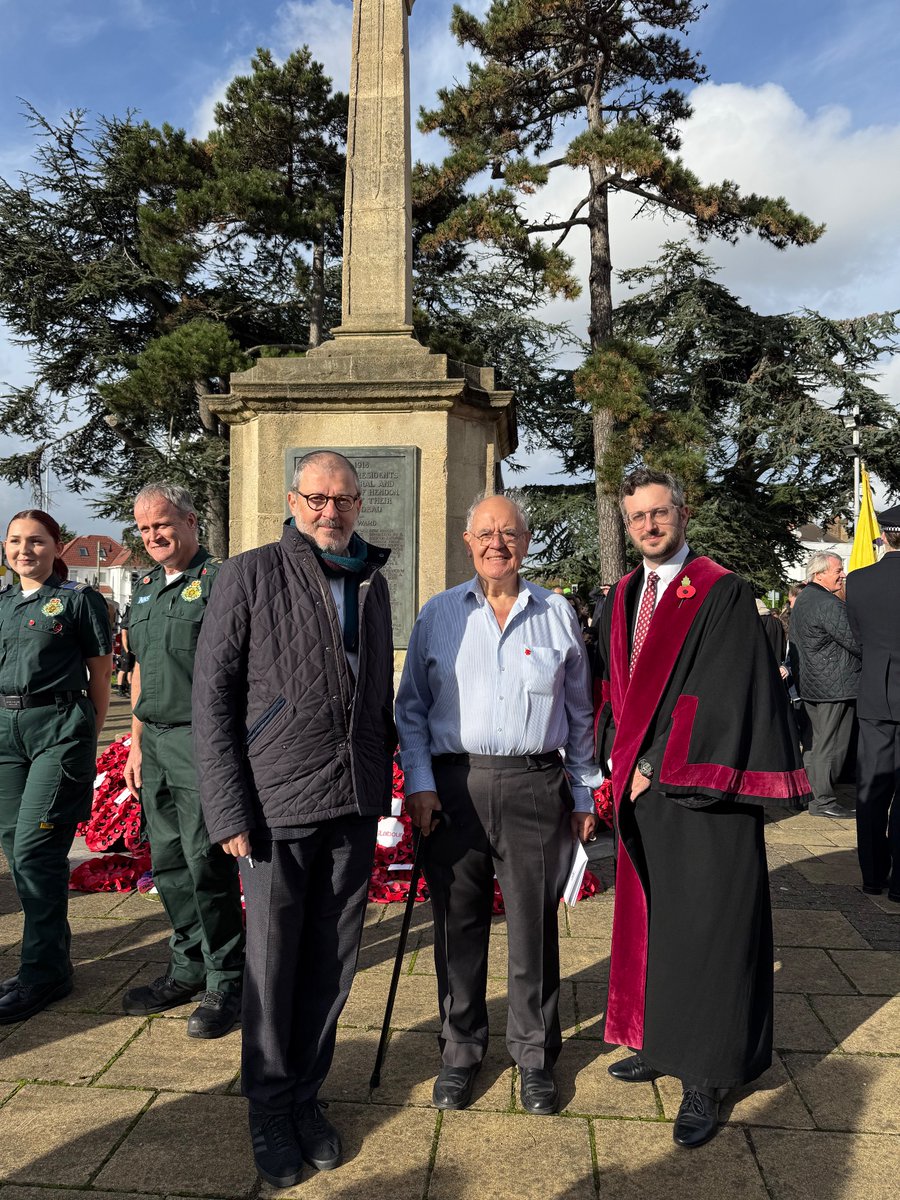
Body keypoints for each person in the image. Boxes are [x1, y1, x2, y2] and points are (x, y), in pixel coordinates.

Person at [192, 450, 394, 1190]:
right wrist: (228, 806)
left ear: (358, 504)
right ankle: (268, 1108)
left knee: (332, 966)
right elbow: (212, 699)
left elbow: (373, 690)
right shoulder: (248, 574)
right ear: (292, 500)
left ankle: (306, 1096)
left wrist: (387, 778)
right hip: (276, 806)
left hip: (352, 799)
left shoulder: (373, 578)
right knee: (273, 969)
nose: (329, 512)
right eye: (316, 499)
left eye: (342, 500)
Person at [595, 468, 810, 1149]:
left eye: (661, 514)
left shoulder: (721, 591)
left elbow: (723, 693)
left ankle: (708, 1073)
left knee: (712, 932)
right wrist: (614, 761)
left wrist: (652, 766)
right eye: (639, 518)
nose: (651, 526)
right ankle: (662, 1041)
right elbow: (614, 691)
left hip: (703, 793)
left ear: (684, 516)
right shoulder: (626, 594)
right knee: (659, 923)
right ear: (627, 525)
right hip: (641, 792)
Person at [396, 494, 600, 1117]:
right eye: (485, 533)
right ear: (467, 541)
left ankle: (534, 1056)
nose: (496, 544)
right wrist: (421, 784)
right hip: (454, 789)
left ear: (526, 541)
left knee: (533, 928)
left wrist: (586, 788)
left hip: (535, 786)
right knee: (458, 927)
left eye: (508, 534)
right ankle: (460, 1051)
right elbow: (411, 712)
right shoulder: (436, 616)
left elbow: (580, 712)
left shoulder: (558, 613)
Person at [121, 483, 244, 1038]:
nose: (154, 537)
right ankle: (188, 964)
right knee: (168, 862)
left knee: (205, 862)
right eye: (145, 529)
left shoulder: (219, 581)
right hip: (157, 741)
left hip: (202, 742)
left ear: (191, 521)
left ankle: (227, 976)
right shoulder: (144, 588)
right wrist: (136, 741)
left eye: (163, 524)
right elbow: (142, 670)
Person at [0, 509, 113, 1023]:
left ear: (56, 547)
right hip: (5, 735)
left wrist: (85, 737)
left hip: (58, 729)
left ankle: (41, 974)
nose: (26, 550)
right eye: (16, 541)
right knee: (15, 852)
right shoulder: (0, 604)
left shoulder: (78, 602)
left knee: (35, 851)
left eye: (38, 542)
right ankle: (51, 960)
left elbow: (100, 675)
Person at [845, 506, 900, 900]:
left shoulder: (858, 580)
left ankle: (872, 875)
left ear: (884, 535)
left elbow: (860, 636)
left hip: (876, 693)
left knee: (873, 790)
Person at [789, 551, 860, 818]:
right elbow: (856, 641)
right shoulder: (828, 604)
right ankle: (822, 801)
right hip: (834, 687)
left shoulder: (805, 598)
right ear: (819, 574)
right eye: (838, 570)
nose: (843, 575)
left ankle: (810, 794)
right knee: (832, 746)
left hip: (812, 684)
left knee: (815, 744)